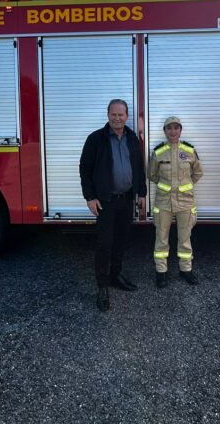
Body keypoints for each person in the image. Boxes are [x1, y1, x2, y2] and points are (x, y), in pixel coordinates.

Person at [79, 99, 147, 312]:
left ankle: (116, 275)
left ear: (127, 116)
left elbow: (138, 167)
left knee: (121, 241)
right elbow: (85, 168)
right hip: (106, 202)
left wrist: (142, 192)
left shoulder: (132, 138)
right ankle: (102, 287)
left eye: (121, 115)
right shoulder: (96, 139)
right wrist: (90, 197)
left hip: (126, 200)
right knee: (104, 244)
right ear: (108, 115)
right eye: (114, 114)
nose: (117, 118)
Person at [148, 116, 203, 288]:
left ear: (180, 130)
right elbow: (151, 174)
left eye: (176, 128)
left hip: (185, 203)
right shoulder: (158, 152)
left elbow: (197, 173)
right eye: (169, 128)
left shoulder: (189, 151)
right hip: (163, 202)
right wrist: (168, 187)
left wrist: (184, 187)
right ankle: (161, 272)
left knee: (185, 239)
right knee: (161, 239)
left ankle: (186, 270)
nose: (173, 131)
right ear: (164, 131)